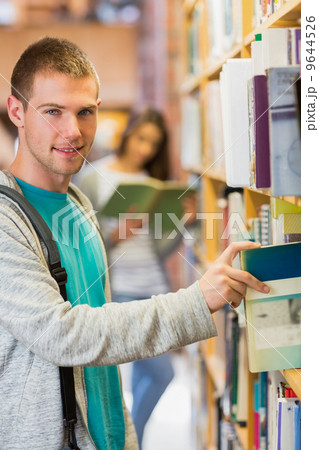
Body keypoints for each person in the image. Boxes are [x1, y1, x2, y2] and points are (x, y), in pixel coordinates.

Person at [0, 37, 269, 450]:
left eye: (85, 112)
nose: (72, 130)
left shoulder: (80, 206)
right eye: (52, 111)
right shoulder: (5, 219)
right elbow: (63, 335)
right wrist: (196, 300)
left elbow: (101, 357)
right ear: (17, 111)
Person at [78, 107, 197, 448]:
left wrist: (180, 225)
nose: (145, 148)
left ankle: (133, 439)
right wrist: (116, 235)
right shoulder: (93, 177)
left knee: (152, 373)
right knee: (163, 373)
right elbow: (80, 240)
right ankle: (135, 440)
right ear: (128, 133)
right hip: (121, 288)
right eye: (142, 138)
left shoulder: (153, 183)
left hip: (155, 285)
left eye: (154, 143)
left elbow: (158, 248)